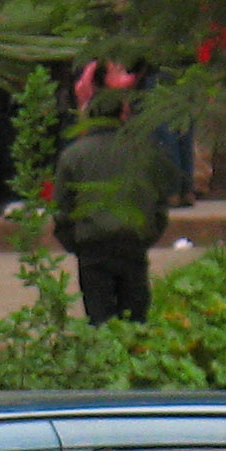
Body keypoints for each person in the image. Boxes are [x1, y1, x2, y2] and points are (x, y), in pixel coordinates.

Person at [52, 86, 176, 326]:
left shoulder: (73, 155)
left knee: (100, 322)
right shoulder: (145, 151)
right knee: (136, 321)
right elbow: (159, 203)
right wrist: (146, 235)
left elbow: (62, 209)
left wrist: (75, 243)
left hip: (92, 246)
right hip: (132, 243)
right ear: (124, 114)